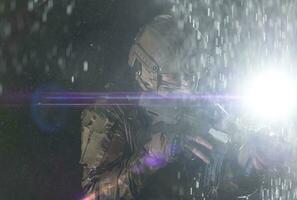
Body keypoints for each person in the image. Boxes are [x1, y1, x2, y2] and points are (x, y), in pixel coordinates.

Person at [79, 14, 285, 200]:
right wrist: (150, 156)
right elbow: (94, 195)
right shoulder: (111, 111)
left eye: (189, 76)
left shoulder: (196, 107)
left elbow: (211, 182)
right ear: (147, 71)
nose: (186, 86)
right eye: (175, 77)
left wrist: (245, 164)